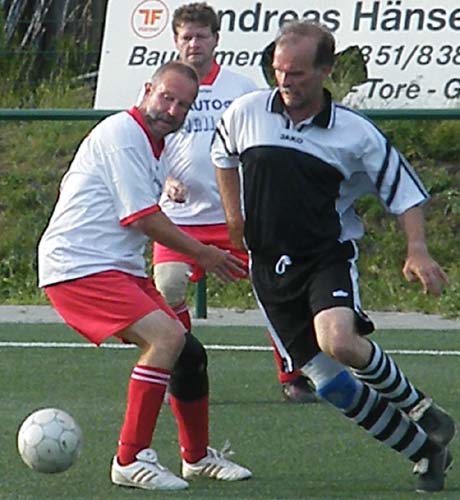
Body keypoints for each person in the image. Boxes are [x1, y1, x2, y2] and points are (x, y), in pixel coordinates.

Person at [211, 20, 455, 493]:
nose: (285, 81)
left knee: (339, 340)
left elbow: (405, 191)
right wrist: (234, 221)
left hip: (324, 256)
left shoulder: (354, 133)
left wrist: (417, 249)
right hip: (268, 270)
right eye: (279, 70)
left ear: (325, 71)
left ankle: (420, 408)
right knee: (328, 382)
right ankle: (425, 449)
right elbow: (223, 156)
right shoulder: (247, 112)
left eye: (297, 73)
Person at [38, 61, 252, 492]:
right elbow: (143, 219)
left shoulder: (153, 144)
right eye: (166, 97)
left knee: (188, 353)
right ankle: (130, 458)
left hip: (113, 266)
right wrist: (203, 253)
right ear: (146, 90)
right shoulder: (124, 134)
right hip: (79, 266)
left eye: (183, 105)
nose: (172, 109)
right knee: (166, 339)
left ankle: (195, 458)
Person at [152, 1, 316, 403]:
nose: (194, 44)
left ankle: (293, 376)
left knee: (276, 288)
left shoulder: (241, 89)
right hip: (180, 220)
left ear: (216, 40)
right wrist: (165, 178)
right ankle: (184, 368)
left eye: (201, 36)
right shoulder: (163, 89)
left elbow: (265, 142)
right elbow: (145, 145)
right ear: (176, 41)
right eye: (186, 37)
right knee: (168, 287)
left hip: (236, 217)